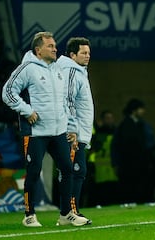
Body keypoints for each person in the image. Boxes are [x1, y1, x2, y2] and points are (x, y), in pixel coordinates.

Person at [1, 31, 88, 227]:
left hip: (59, 132)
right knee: (34, 172)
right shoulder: (27, 68)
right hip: (36, 132)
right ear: (38, 50)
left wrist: (71, 127)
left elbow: (66, 101)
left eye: (55, 45)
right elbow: (7, 92)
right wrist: (26, 110)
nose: (55, 48)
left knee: (67, 170)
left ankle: (66, 214)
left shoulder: (58, 70)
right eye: (50, 46)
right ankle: (29, 215)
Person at [57, 37, 94, 224]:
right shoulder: (71, 71)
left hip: (79, 132)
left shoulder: (79, 71)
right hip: (73, 133)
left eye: (88, 53)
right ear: (72, 55)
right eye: (83, 53)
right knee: (75, 171)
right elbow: (68, 101)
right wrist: (72, 130)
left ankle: (68, 213)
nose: (88, 56)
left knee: (76, 171)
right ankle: (70, 212)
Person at [112, 98, 155, 204]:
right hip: (130, 163)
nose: (143, 111)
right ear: (134, 110)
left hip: (139, 162)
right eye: (140, 109)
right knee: (131, 189)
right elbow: (117, 146)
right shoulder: (126, 126)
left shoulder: (139, 125)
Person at [86, 110, 119, 207]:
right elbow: (92, 151)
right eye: (107, 118)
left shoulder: (117, 133)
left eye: (111, 118)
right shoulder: (97, 135)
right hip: (100, 171)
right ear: (102, 120)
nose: (109, 120)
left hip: (113, 170)